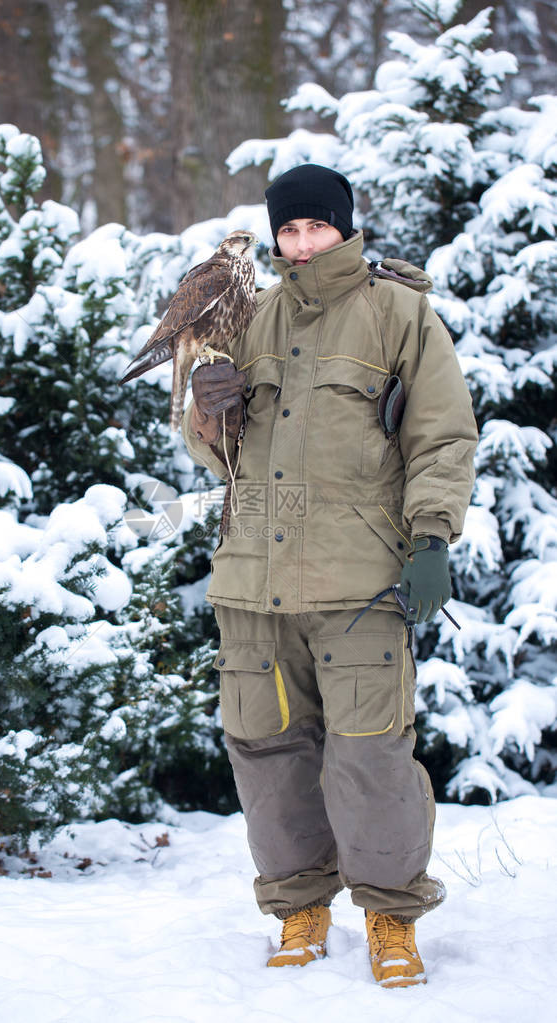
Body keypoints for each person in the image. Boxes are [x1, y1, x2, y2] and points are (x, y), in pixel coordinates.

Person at [181, 164, 477, 988]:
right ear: (274, 236)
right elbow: (218, 458)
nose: (303, 244)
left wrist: (432, 539)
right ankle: (299, 906)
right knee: (267, 755)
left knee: (371, 756)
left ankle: (390, 915)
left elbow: (444, 437)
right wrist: (207, 410)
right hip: (254, 585)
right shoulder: (248, 317)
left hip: (361, 585)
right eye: (289, 231)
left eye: (318, 228)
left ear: (344, 228)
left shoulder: (399, 314)